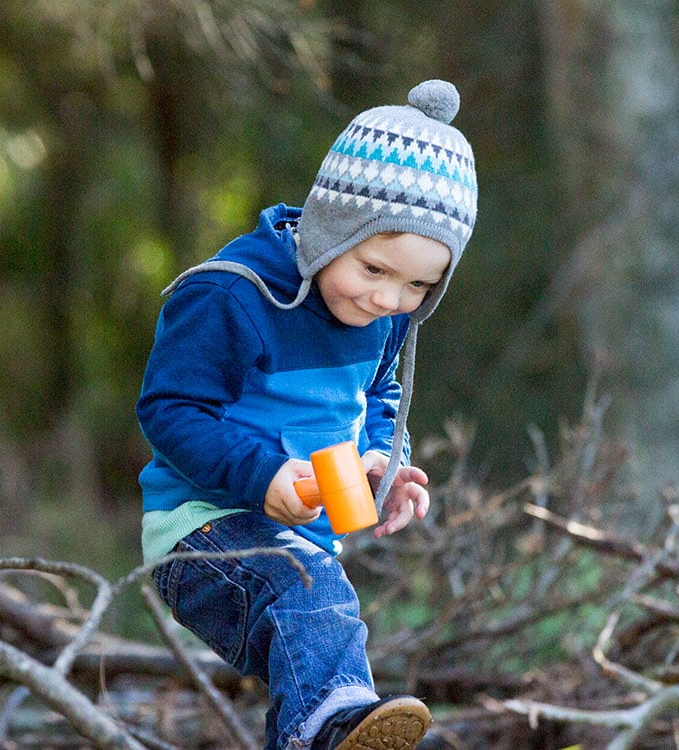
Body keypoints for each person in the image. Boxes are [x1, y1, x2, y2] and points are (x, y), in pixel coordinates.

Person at [136, 79, 476, 750]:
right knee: (308, 594)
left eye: (418, 285)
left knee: (318, 632)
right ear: (329, 228)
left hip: (304, 543)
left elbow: (380, 401)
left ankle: (326, 730)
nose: (389, 298)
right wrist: (264, 475)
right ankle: (331, 730)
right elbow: (169, 409)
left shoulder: (381, 320)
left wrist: (385, 460)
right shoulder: (232, 296)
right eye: (375, 268)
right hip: (200, 533)